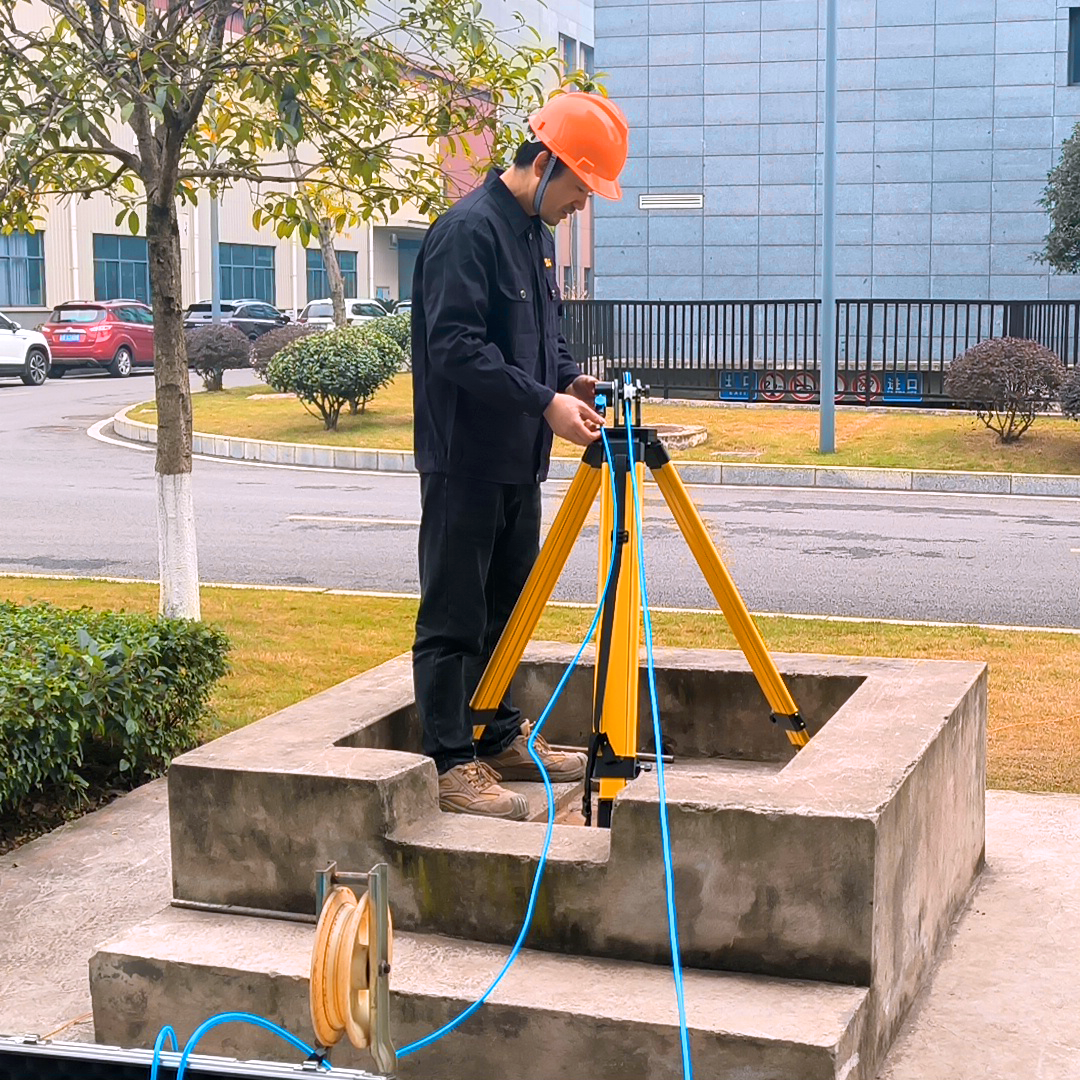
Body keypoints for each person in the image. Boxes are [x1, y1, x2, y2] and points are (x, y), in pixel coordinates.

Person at [411, 92, 630, 820]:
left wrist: (570, 379)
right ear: (544, 164)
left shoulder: (534, 236)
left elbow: (547, 330)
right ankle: (449, 759)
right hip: (465, 457)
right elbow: (456, 349)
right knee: (454, 613)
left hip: (517, 458)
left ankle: (497, 733)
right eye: (580, 191)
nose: (581, 208)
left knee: (509, 610)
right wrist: (542, 403)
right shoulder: (466, 233)